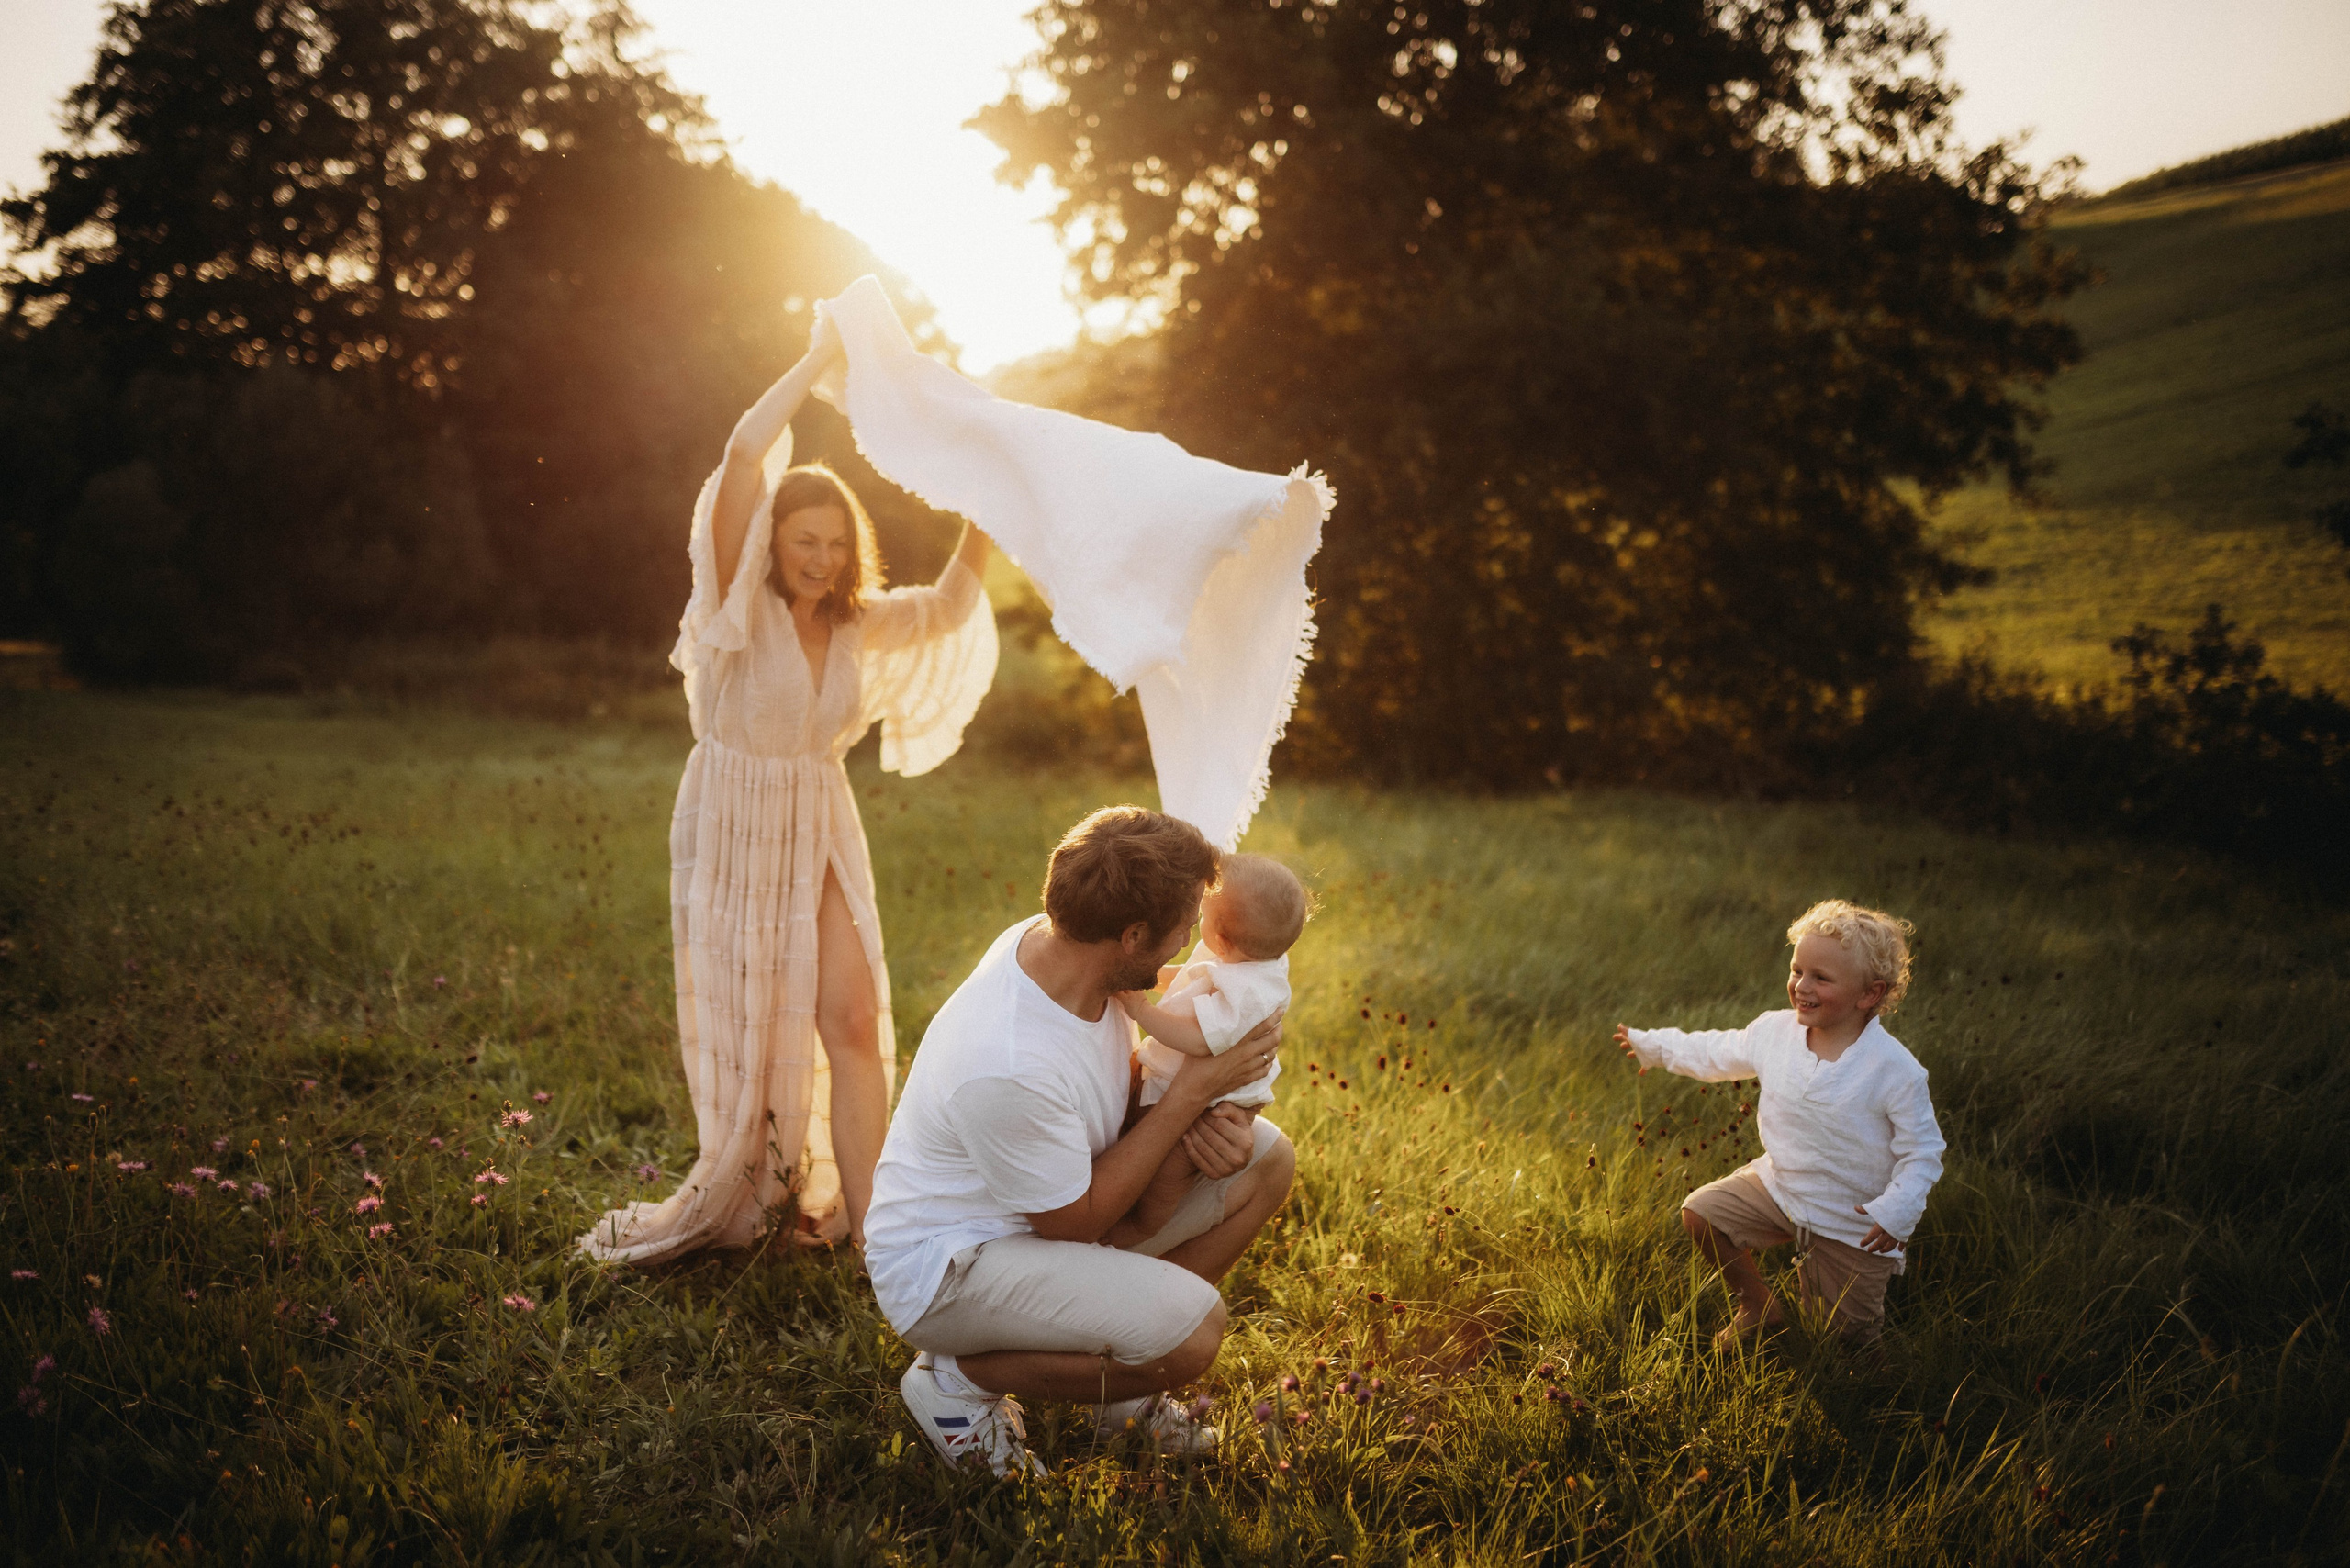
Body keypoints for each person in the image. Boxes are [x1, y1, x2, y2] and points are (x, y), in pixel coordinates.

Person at [577, 312, 996, 1265]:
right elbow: (739, 452)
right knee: (758, 1027)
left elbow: (948, 608)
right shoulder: (733, 608)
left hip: (820, 820)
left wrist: (986, 497)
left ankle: (875, 1233)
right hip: (735, 823)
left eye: (837, 544)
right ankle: (753, 1192)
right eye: (806, 540)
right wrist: (816, 361)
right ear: (772, 539)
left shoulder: (852, 625)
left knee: (851, 1018)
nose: (821, 558)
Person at [863, 807, 1294, 1477]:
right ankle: (957, 1382)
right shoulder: (1008, 1060)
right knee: (1193, 1336)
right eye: (1183, 930)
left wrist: (1213, 1121)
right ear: (1132, 935)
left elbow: (1109, 1109)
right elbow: (1074, 1221)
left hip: (1045, 1221)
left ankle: (1117, 1385)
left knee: (1267, 1160)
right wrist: (1186, 1099)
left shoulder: (1070, 953)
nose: (1190, 942)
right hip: (953, 1268)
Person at [1612, 899, 1945, 1350]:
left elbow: (1922, 1153)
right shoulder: (1775, 1032)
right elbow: (1716, 1050)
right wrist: (1654, 1046)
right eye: (1796, 970)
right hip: (1781, 1186)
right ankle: (1757, 1303)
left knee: (1846, 1343)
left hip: (1853, 1222)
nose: (1800, 986)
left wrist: (1896, 1212)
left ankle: (1876, 1394)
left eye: (1820, 978)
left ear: (1869, 994)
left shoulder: (1895, 1071)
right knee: (1703, 1213)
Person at [1116, 853, 1308, 1238]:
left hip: (1216, 1107)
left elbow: (1198, 1040)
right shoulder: (1240, 950)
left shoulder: (1249, 992)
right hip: (1199, 1090)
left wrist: (1140, 1008)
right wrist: (1150, 976)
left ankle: (1142, 1227)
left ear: (1221, 938)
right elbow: (1191, 978)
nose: (1195, 924)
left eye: (1202, 917)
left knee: (1170, 1171)